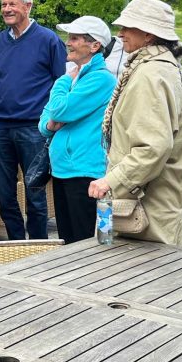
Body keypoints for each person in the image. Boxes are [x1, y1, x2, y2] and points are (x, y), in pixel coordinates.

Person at [89, 0, 182, 246]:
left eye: (128, 27)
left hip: (149, 217)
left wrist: (110, 181)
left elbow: (153, 147)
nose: (120, 33)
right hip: (152, 210)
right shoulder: (161, 67)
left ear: (148, 35)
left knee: (143, 283)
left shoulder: (152, 72)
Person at [0, 0, 66, 240]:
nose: (7, 9)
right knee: (4, 194)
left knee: (35, 194)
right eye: (3, 4)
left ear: (28, 6)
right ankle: (14, 245)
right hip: (0, 127)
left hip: (33, 128)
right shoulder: (1, 41)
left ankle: (36, 246)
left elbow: (62, 82)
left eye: (12, 4)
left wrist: (53, 121)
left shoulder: (49, 40)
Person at [39, 16, 116, 243]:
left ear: (94, 46)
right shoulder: (77, 76)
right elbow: (45, 122)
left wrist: (62, 81)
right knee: (67, 240)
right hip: (63, 169)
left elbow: (60, 110)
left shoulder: (101, 79)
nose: (68, 42)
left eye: (74, 38)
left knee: (85, 242)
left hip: (85, 172)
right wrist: (51, 123)